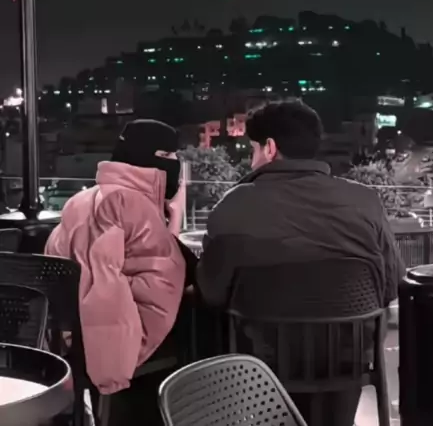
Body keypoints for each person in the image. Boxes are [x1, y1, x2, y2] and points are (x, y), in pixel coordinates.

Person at [196, 99, 404, 426]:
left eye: (252, 149)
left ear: (269, 148)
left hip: (261, 369)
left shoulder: (234, 205)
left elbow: (212, 293)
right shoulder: (365, 201)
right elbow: (391, 284)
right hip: (346, 360)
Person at [45, 119, 187, 396]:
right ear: (149, 156)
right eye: (168, 154)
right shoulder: (128, 203)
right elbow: (109, 286)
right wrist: (110, 371)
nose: (175, 162)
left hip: (63, 337)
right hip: (115, 343)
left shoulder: (82, 199)